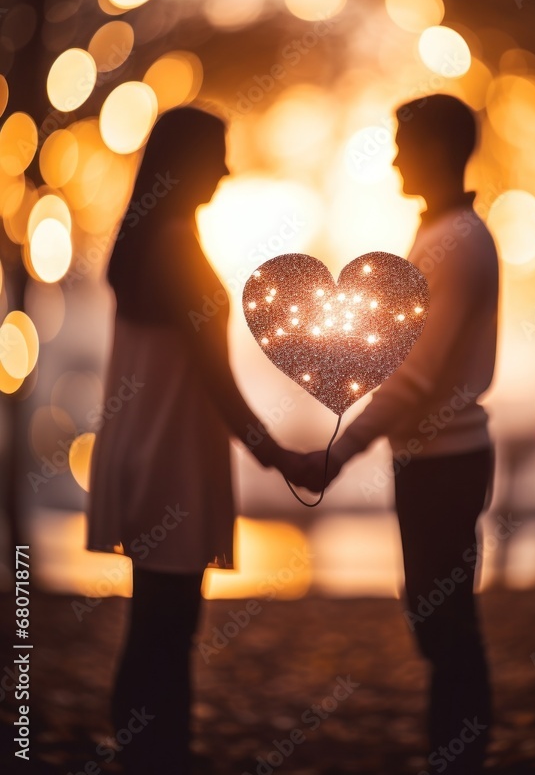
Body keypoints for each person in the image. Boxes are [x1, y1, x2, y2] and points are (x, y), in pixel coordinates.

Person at [86, 107, 311, 775]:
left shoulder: (141, 243)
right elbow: (216, 380)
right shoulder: (177, 247)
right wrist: (278, 454)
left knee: (151, 621)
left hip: (141, 451)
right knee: (169, 628)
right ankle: (158, 755)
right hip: (172, 462)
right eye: (216, 155)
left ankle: (142, 750)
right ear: (185, 164)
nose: (226, 169)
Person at [303, 94, 499, 773]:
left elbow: (415, 378)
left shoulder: (457, 243)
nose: (392, 157)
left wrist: (341, 448)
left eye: (402, 143)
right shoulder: (443, 235)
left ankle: (459, 750)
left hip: (446, 462)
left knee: (441, 620)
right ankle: (457, 745)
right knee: (432, 614)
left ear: (437, 151)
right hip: (431, 459)